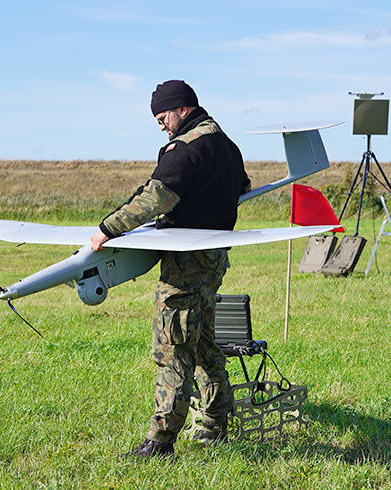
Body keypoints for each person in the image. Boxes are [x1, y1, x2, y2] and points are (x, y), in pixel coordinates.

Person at [90, 80, 251, 458]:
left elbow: (156, 195)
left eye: (163, 117)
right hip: (214, 258)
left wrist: (106, 229)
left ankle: (160, 441)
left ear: (182, 109)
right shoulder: (226, 144)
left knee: (173, 348)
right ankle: (213, 426)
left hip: (185, 264)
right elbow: (241, 187)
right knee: (206, 343)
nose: (162, 125)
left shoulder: (186, 147)